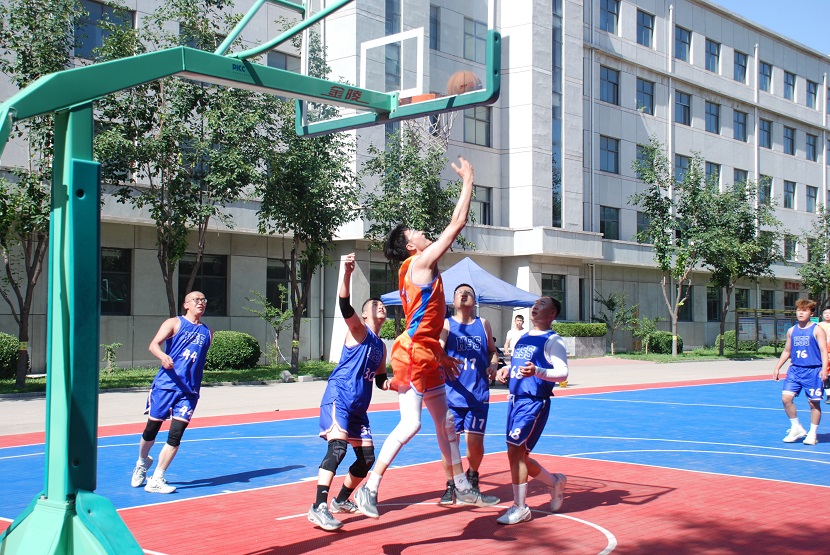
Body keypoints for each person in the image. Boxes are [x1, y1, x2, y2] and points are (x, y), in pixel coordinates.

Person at [355, 156, 498, 519]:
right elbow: (457, 223)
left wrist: (441, 354)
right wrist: (469, 180)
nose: (422, 232)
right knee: (412, 423)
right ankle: (369, 488)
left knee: (445, 422)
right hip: (413, 353)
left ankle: (462, 486)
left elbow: (428, 322)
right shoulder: (420, 263)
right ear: (411, 246)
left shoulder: (414, 268)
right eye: (416, 232)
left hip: (427, 352)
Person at [307, 253, 389, 531]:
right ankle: (318, 506)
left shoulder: (381, 346)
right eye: (375, 305)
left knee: (367, 459)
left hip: (358, 409)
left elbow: (380, 379)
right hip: (339, 398)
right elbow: (344, 304)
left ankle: (341, 500)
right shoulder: (358, 330)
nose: (381, 307)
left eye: (382, 306)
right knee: (338, 448)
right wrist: (347, 273)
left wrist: (397, 384)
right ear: (365, 314)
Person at [495, 296, 568, 525]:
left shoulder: (553, 340)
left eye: (542, 304)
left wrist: (537, 371)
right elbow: (521, 365)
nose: (535, 306)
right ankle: (554, 482)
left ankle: (520, 507)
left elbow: (563, 373)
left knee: (515, 451)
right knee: (518, 455)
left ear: (552, 314)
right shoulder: (524, 337)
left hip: (534, 402)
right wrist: (507, 369)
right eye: (535, 303)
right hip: (515, 400)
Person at [130, 291, 212, 494]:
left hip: (189, 391)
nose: (200, 303)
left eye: (203, 300)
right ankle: (142, 461)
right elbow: (153, 345)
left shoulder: (207, 332)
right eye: (196, 300)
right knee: (152, 428)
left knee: (176, 435)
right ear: (186, 304)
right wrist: (163, 356)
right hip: (166, 385)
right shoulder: (174, 323)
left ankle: (157, 477)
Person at [437, 283, 500, 505]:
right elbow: (438, 349)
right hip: (452, 395)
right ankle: (451, 484)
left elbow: (492, 351)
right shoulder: (447, 325)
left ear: (474, 301)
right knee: (449, 444)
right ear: (453, 301)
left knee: (474, 442)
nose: (463, 295)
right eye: (459, 293)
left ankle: (472, 475)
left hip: (478, 394)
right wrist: (442, 357)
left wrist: (494, 364)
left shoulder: (483, 324)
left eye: (468, 293)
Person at [773, 298, 827, 445]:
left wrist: (824, 369)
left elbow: (824, 351)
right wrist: (778, 367)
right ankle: (796, 427)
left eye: (804, 310)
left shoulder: (817, 330)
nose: (800, 313)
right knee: (786, 399)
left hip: (813, 371)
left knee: (813, 403)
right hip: (795, 370)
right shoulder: (792, 330)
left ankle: (812, 433)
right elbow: (787, 350)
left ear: (811, 313)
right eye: (798, 310)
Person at [818, 308, 830, 405]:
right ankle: (829, 395)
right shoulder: (818, 326)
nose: (827, 314)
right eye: (825, 313)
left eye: (829, 313)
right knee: (826, 375)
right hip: (824, 354)